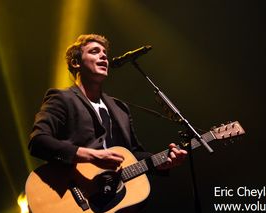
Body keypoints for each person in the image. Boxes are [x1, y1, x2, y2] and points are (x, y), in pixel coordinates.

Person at [28, 33, 187, 211]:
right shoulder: (62, 98)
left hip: (114, 200)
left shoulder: (120, 108)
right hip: (72, 195)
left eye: (105, 52)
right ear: (76, 63)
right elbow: (38, 141)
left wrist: (164, 162)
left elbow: (133, 154)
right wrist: (91, 156)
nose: (104, 56)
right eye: (95, 51)